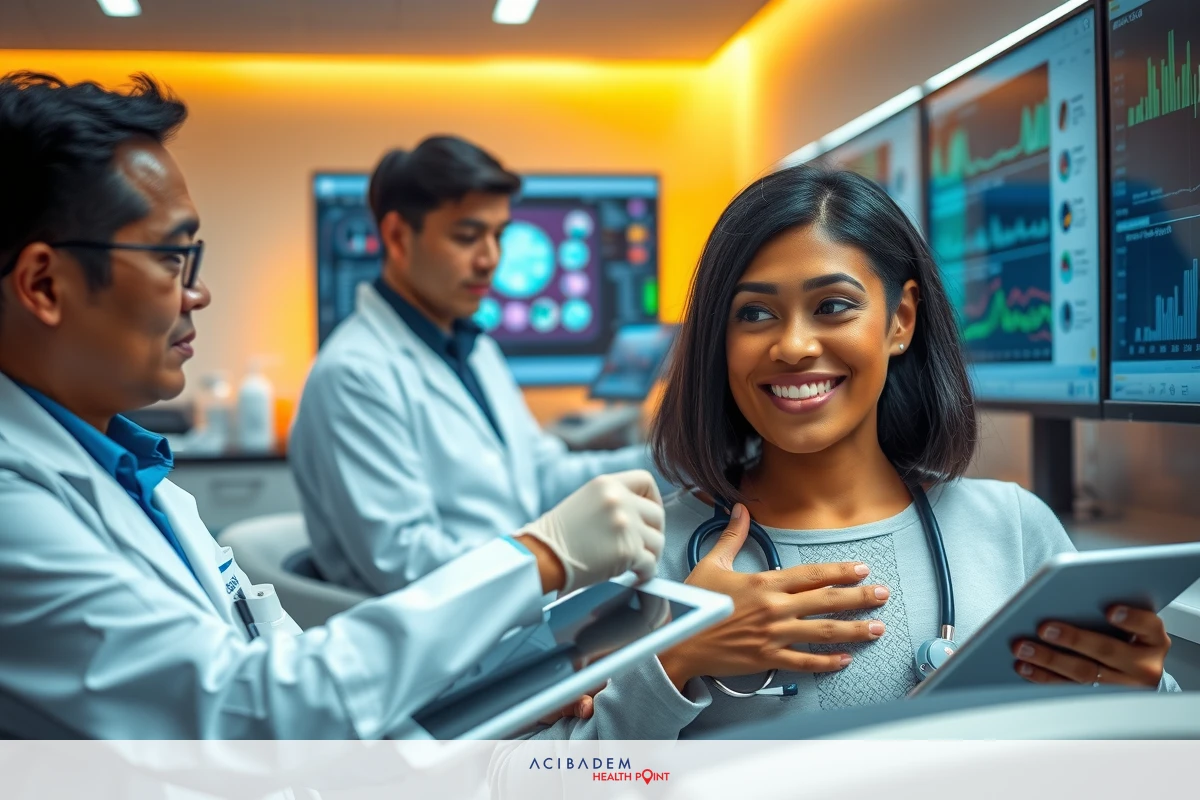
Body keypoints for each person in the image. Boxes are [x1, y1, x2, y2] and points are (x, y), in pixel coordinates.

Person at [0, 71, 665, 739]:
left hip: (426, 675)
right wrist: (536, 561)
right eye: (173, 258)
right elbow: (249, 707)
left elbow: (281, 672)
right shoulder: (16, 508)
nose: (198, 294)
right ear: (44, 285)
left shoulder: (139, 476)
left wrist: (492, 681)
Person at [512, 164, 1179, 742]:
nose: (794, 346)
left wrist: (1142, 692)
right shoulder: (647, 560)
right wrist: (675, 660)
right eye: (754, 314)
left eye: (833, 306)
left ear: (900, 320)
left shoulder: (1013, 529)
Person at [289, 135, 657, 595]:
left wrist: (675, 459)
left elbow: (542, 478)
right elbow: (405, 564)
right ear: (398, 236)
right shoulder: (353, 375)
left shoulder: (473, 349)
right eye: (467, 237)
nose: (490, 260)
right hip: (451, 627)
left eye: (498, 236)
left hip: (516, 598)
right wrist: (553, 559)